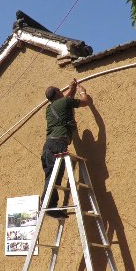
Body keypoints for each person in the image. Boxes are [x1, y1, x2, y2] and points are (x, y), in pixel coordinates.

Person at [41, 79, 92, 218]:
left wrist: (71, 88)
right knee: (54, 176)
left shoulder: (49, 108)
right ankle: (48, 206)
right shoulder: (64, 102)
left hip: (48, 146)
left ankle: (49, 205)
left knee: (51, 176)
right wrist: (82, 92)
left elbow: (65, 98)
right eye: (60, 90)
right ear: (58, 93)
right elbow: (85, 102)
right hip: (58, 144)